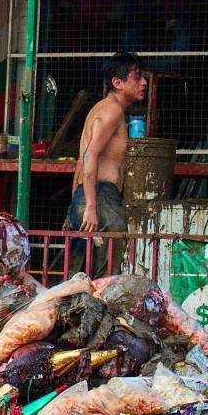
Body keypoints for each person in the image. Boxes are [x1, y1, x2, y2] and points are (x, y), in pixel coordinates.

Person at [68, 52, 145, 275]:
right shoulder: (112, 111)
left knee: (79, 280)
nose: (143, 82)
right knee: (104, 280)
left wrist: (76, 202)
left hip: (87, 195)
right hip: (101, 198)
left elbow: (83, 160)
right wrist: (91, 207)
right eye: (137, 77)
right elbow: (90, 156)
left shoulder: (101, 108)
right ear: (117, 83)